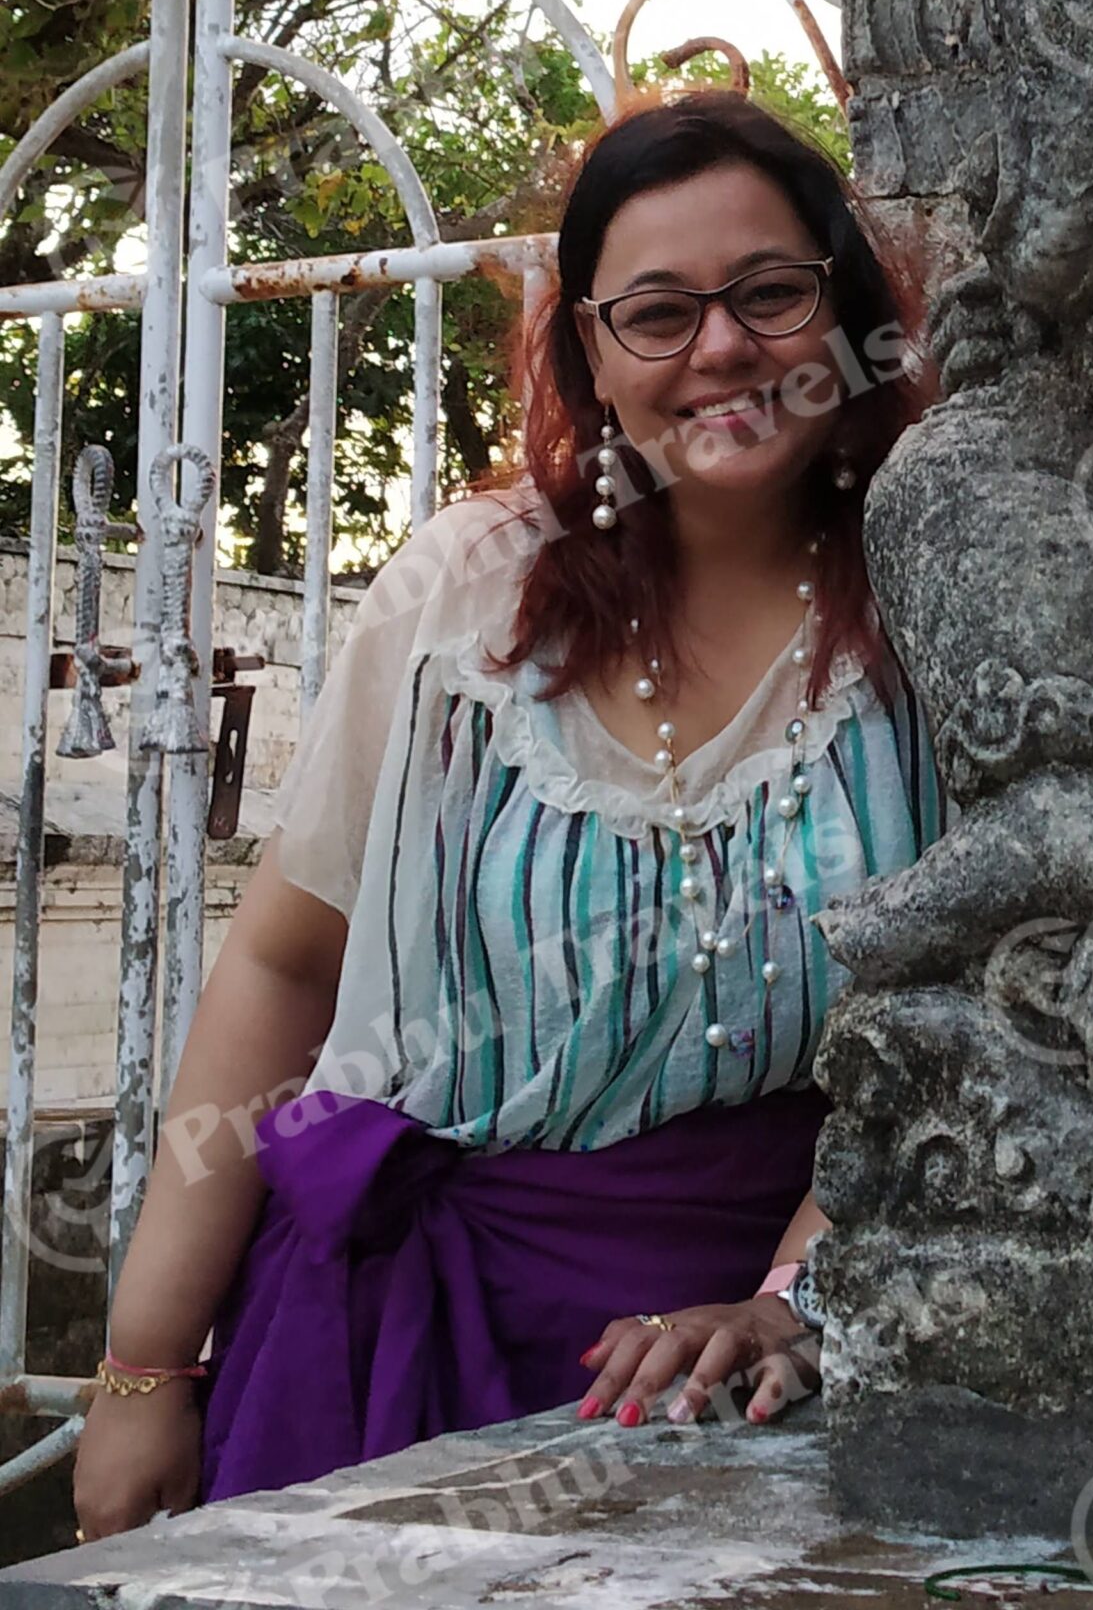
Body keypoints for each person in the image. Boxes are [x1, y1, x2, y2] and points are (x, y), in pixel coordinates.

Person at [73, 86, 945, 1535]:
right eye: (656, 312)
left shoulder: (932, 606)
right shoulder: (471, 595)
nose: (722, 347)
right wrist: (145, 1369)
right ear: (590, 354)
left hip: (765, 1364)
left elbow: (966, 1029)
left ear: (844, 312)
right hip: (398, 1343)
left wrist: (799, 1296)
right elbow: (283, 967)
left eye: (771, 294)